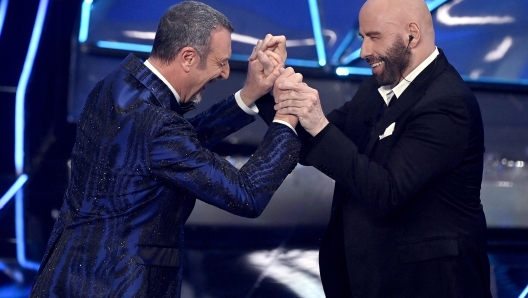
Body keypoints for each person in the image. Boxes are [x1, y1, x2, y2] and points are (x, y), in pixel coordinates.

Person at [30, 1, 302, 297]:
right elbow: (246, 194)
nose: (225, 73)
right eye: (220, 62)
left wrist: (249, 95)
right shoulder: (157, 125)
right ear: (187, 57)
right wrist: (286, 119)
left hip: (69, 276)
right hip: (117, 286)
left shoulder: (116, 85)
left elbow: (175, 146)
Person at [259, 0, 492, 296]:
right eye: (362, 38)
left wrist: (318, 123)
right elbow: (314, 146)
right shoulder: (375, 87)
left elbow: (387, 192)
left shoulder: (446, 103)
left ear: (412, 34)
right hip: (371, 280)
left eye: (374, 37)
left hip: (428, 284)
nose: (364, 52)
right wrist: (273, 88)